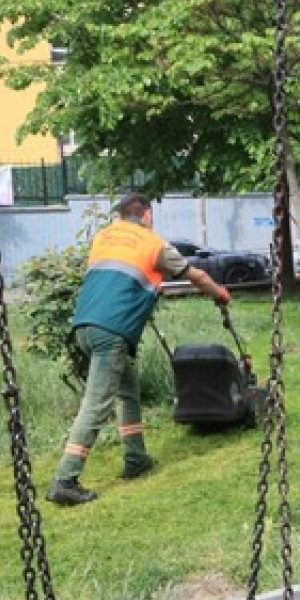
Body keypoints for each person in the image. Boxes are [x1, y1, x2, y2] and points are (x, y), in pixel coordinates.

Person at [47, 192, 230, 506]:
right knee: (96, 404)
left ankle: (136, 458)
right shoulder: (152, 243)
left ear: (120, 216)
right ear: (146, 215)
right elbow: (196, 274)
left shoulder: (104, 237)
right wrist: (220, 294)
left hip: (84, 324)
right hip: (112, 331)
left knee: (127, 390)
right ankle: (65, 479)